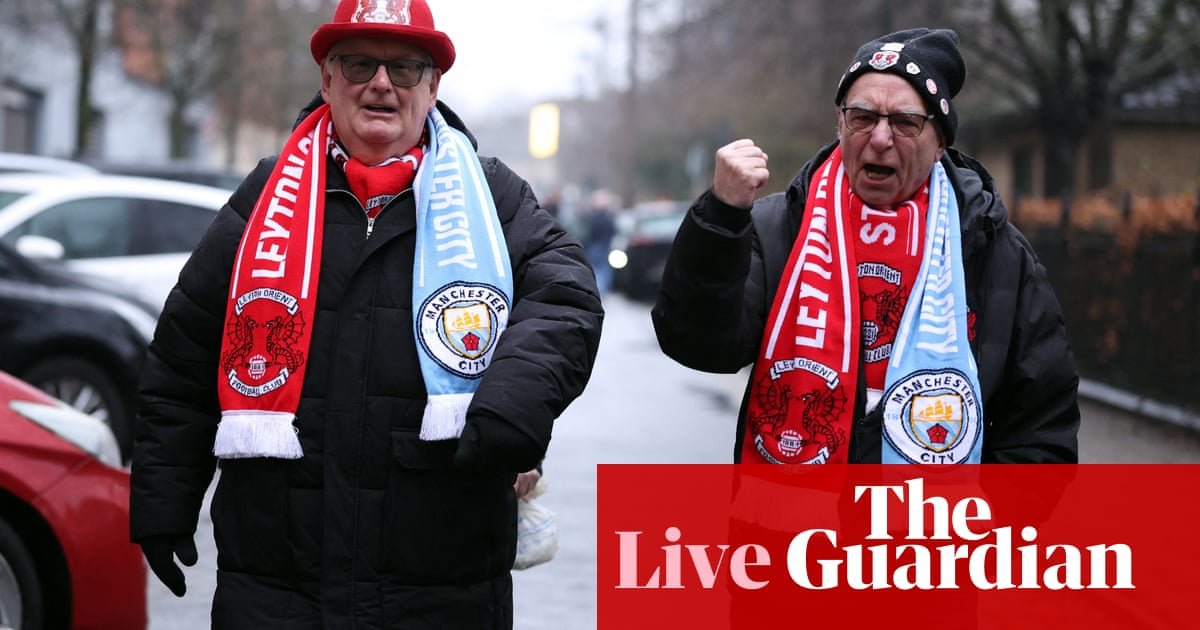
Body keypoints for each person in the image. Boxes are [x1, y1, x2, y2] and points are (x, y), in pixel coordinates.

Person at [128, 0, 603, 627]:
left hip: (440, 587)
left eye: (405, 68)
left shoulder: (494, 197)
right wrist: (164, 498)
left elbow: (566, 297)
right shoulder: (265, 197)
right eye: (358, 64)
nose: (381, 84)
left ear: (432, 88)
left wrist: (509, 409)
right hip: (276, 588)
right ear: (327, 80)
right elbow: (184, 356)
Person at [652, 28, 1079, 465]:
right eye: (862, 117)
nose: (879, 138)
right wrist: (721, 217)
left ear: (940, 144)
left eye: (905, 123)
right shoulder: (776, 227)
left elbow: (1041, 429)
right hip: (789, 527)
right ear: (840, 124)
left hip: (941, 526)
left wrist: (980, 521)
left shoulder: (995, 250)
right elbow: (696, 344)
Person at [583, 190, 618, 295]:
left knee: (596, 268)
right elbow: (613, 231)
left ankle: (597, 289)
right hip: (604, 245)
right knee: (603, 269)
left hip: (595, 246)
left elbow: (589, 232)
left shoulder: (593, 218)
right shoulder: (608, 218)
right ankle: (601, 290)